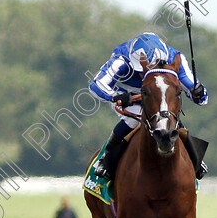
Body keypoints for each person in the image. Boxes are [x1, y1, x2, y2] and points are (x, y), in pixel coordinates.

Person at [88, 32, 209, 180]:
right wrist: (115, 96)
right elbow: (96, 85)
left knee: (168, 116)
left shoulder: (175, 58)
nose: (142, 74)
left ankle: (195, 156)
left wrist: (198, 92)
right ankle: (107, 158)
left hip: (159, 95)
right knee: (137, 117)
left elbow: (196, 92)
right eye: (140, 71)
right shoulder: (121, 59)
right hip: (129, 96)